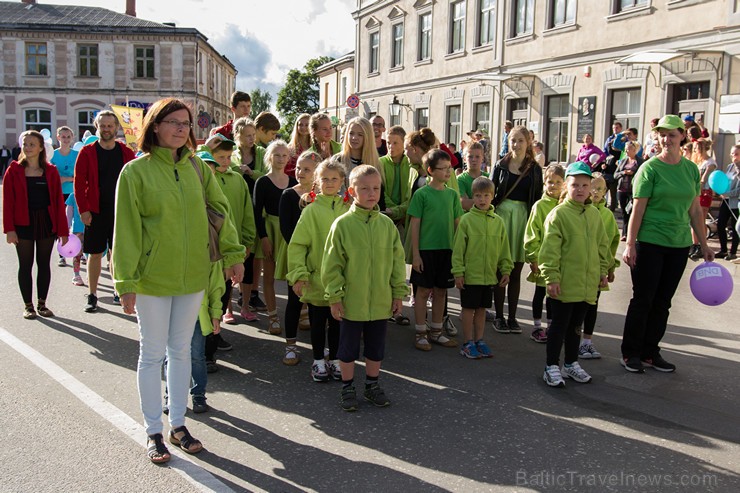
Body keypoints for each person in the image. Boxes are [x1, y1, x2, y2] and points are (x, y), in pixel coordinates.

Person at [113, 97, 245, 464]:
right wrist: (125, 281)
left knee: (182, 351)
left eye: (186, 123)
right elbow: (125, 230)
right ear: (154, 126)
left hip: (193, 276)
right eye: (173, 122)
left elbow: (220, 212)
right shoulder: (135, 173)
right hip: (152, 279)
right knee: (152, 354)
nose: (182, 128)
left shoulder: (197, 169)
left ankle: (179, 423)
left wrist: (233, 256)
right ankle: (154, 430)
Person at [620, 115, 715, 374]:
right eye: (662, 134)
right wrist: (630, 244)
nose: (666, 139)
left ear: (682, 136)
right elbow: (637, 210)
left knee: (663, 301)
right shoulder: (650, 168)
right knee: (643, 299)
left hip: (678, 244)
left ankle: (651, 352)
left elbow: (695, 210)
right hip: (650, 242)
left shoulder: (690, 169)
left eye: (672, 134)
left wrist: (704, 244)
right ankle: (631, 353)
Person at [322, 165, 407, 411]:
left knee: (375, 347)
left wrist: (398, 293)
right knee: (347, 348)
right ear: (351, 191)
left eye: (376, 188)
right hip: (352, 301)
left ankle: (372, 385)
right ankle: (347, 386)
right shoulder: (342, 225)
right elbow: (332, 264)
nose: (371, 193)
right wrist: (335, 297)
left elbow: (397, 262)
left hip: (380, 301)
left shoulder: (387, 225)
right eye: (365, 188)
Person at [540, 162, 610, 387]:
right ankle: (551, 366)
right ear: (566, 187)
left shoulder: (594, 215)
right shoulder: (558, 214)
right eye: (574, 185)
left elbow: (602, 246)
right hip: (564, 283)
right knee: (559, 326)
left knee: (575, 327)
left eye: (584, 185)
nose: (580, 189)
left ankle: (570, 364)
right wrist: (551, 277)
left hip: (587, 283)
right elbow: (549, 250)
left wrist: (602, 271)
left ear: (590, 188)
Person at [287, 160, 349, 381]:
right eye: (325, 179)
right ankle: (317, 361)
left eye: (334, 179)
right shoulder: (311, 211)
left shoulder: (348, 209)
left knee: (337, 323)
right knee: (317, 322)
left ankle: (334, 359)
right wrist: (299, 274)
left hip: (340, 281)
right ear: (317, 182)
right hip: (316, 279)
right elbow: (297, 245)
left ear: (342, 182)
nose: (330, 183)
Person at [197, 140, 255, 361]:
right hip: (201, 258)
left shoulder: (236, 180)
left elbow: (243, 213)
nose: (225, 161)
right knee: (201, 300)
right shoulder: (195, 184)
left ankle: (213, 338)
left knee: (220, 296)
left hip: (226, 254)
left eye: (228, 157)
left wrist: (247, 241)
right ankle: (201, 347)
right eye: (219, 156)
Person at [74, 110, 136, 312]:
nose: (107, 129)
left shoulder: (126, 153)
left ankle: (118, 291)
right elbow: (78, 183)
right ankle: (92, 295)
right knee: (94, 254)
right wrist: (83, 210)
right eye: (103, 125)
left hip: (121, 210)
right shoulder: (87, 152)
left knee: (116, 253)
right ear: (97, 127)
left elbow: (136, 181)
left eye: (110, 125)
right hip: (96, 211)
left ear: (116, 128)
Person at [3, 130, 69, 319]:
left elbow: (58, 202)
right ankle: (28, 306)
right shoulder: (14, 170)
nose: (28, 147)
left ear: (41, 148)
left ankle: (42, 304)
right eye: (25, 144)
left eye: (32, 144)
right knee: (25, 265)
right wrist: (9, 229)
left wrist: (63, 230)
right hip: (22, 223)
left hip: (46, 223)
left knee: (44, 264)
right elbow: (8, 202)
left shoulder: (51, 171)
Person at [489, 125, 544, 334]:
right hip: (502, 218)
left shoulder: (534, 169)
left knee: (516, 270)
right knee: (500, 268)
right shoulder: (500, 165)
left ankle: (512, 317)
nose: (516, 144)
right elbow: (491, 193)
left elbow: (537, 198)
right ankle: (499, 316)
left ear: (528, 142)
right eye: (513, 140)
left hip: (523, 219)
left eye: (520, 140)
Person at [408, 149, 464, 351]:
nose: (448, 172)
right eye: (443, 168)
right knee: (423, 292)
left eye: (449, 168)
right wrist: (416, 254)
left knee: (441, 292)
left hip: (446, 250)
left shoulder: (451, 195)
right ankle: (421, 332)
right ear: (430, 170)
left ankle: (436, 331)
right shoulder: (421, 194)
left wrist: (460, 251)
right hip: (425, 250)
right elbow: (415, 224)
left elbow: (459, 223)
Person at [452, 177, 512, 359]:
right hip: (471, 276)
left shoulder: (498, 222)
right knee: (468, 310)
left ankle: (480, 340)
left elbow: (504, 249)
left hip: (489, 277)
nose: (482, 199)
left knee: (481, 311)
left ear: (492, 197)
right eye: (478, 196)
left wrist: (506, 269)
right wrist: (458, 272)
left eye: (486, 195)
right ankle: (467, 342)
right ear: (473, 197)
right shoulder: (466, 220)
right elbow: (458, 249)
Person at [279, 150, 321, 365]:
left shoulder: (323, 197)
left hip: (319, 258)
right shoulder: (289, 195)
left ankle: (319, 352)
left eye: (307, 169)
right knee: (294, 301)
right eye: (298, 168)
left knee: (315, 303)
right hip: (297, 257)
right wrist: (301, 254)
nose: (300, 172)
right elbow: (287, 230)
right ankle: (290, 346)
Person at [253, 140, 297, 335]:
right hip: (270, 230)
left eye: (284, 155)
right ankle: (273, 316)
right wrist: (263, 237)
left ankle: (301, 311)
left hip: (289, 231)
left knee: (293, 274)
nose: (281, 159)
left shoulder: (294, 182)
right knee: (269, 275)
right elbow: (256, 212)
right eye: (277, 155)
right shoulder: (262, 182)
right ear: (269, 157)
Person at [579, 172, 620, 360]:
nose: (595, 192)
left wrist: (611, 267)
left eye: (600, 189)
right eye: (592, 187)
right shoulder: (579, 210)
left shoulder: (607, 216)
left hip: (598, 269)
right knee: (577, 306)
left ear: (605, 192)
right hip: (579, 268)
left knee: (592, 305)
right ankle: (573, 339)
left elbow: (611, 243)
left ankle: (587, 341)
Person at [523, 164, 565, 343]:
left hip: (560, 261)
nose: (553, 185)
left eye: (558, 182)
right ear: (544, 183)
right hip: (542, 259)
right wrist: (533, 257)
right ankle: (537, 326)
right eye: (550, 182)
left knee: (554, 296)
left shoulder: (566, 205)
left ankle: (551, 327)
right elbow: (532, 232)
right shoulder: (539, 206)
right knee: (540, 292)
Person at [231, 117, 267, 315]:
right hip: (238, 205)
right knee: (242, 250)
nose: (252, 138)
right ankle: (240, 296)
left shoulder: (261, 152)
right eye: (248, 135)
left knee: (256, 253)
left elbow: (267, 175)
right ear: (238, 136)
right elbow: (225, 170)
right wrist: (237, 170)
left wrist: (251, 172)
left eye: (254, 135)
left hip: (257, 205)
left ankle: (252, 293)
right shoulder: (233, 153)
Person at [51, 126, 79, 267]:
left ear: (72, 138)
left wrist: (67, 179)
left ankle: (79, 251)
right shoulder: (53, 155)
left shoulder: (77, 154)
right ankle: (61, 254)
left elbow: (80, 176)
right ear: (58, 137)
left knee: (76, 224)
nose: (66, 139)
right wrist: (60, 179)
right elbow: (50, 176)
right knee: (61, 224)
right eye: (63, 137)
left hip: (74, 193)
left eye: (68, 137)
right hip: (58, 194)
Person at [332, 116, 383, 192]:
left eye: (360, 134)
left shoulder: (376, 163)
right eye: (351, 133)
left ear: (367, 137)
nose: (354, 138)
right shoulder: (337, 160)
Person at [689, 138, 717, 260]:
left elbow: (703, 179)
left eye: (696, 147)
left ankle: (701, 244)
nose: (694, 150)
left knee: (700, 219)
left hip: (704, 193)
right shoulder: (696, 161)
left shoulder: (710, 163)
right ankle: (694, 244)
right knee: (692, 220)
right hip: (695, 192)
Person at [614, 141, 643, 240]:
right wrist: (623, 172)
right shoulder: (623, 161)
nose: (626, 151)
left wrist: (633, 174)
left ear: (634, 150)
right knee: (623, 212)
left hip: (633, 191)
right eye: (625, 149)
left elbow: (642, 176)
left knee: (631, 211)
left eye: (628, 149)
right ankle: (624, 234)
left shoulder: (640, 162)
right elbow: (615, 175)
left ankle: (632, 234)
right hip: (621, 190)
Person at [716, 145, 740, 261]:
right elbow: (724, 182)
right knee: (720, 224)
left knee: (735, 227)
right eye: (732, 154)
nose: (733, 156)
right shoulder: (729, 167)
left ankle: (733, 251)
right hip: (725, 201)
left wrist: (728, 194)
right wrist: (722, 191)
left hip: (735, 202)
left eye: (736, 154)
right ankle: (723, 249)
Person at [457, 142, 488, 211]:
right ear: (464, 159)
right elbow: (463, 203)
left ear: (482, 158)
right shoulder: (460, 179)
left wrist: (472, 200)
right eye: (470, 157)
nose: (474, 160)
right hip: (468, 220)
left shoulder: (488, 178)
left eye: (477, 157)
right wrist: (486, 200)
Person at [65, 192, 85, 286]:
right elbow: (69, 212)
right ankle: (76, 275)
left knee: (92, 255)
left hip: (92, 228)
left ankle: (91, 273)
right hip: (78, 229)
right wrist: (66, 228)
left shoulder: (95, 193)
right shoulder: (73, 195)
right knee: (77, 253)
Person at [285, 113, 311, 178]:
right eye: (300, 125)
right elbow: (286, 170)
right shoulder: (290, 148)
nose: (303, 127)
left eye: (307, 125)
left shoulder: (315, 147)